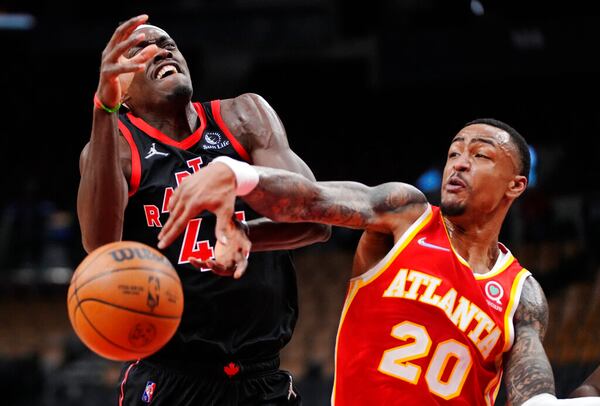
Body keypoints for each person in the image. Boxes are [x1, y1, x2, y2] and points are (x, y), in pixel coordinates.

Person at [158, 119, 600, 405]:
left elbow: (535, 399)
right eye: (453, 153)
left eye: (480, 155)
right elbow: (315, 199)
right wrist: (238, 175)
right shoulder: (404, 215)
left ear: (516, 186)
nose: (459, 164)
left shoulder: (522, 294)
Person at [77, 14, 330, 406]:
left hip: (261, 375)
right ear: (121, 90)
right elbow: (100, 249)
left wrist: (247, 235)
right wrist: (102, 109)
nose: (160, 50)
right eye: (139, 52)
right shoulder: (117, 147)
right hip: (171, 375)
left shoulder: (243, 115)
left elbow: (317, 219)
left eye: (167, 44)